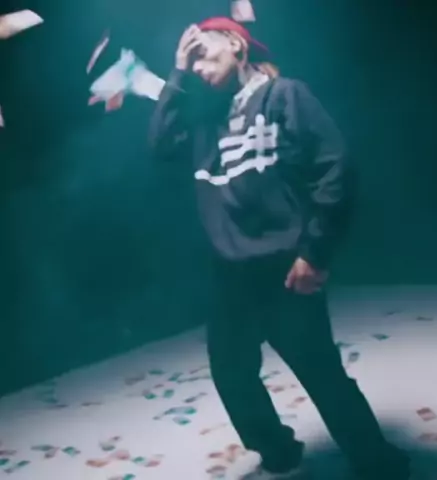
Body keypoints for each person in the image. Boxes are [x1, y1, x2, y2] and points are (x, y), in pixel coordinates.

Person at [149, 17, 410, 480]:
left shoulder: (284, 95)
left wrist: (315, 251)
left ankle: (379, 463)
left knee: (321, 374)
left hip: (286, 267)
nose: (198, 67)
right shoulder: (203, 119)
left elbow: (335, 168)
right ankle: (278, 451)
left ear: (236, 44)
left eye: (202, 54)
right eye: (191, 62)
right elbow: (159, 145)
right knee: (231, 374)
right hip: (229, 274)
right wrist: (177, 73)